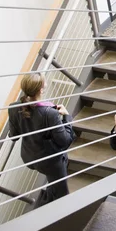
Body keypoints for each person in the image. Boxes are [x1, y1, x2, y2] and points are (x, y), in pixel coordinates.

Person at [8, 73, 75, 207]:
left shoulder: (14, 107)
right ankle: (48, 211)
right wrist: (66, 118)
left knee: (56, 177)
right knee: (62, 195)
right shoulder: (49, 113)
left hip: (30, 157)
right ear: (41, 90)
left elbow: (14, 135)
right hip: (49, 161)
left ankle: (49, 194)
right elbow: (65, 141)